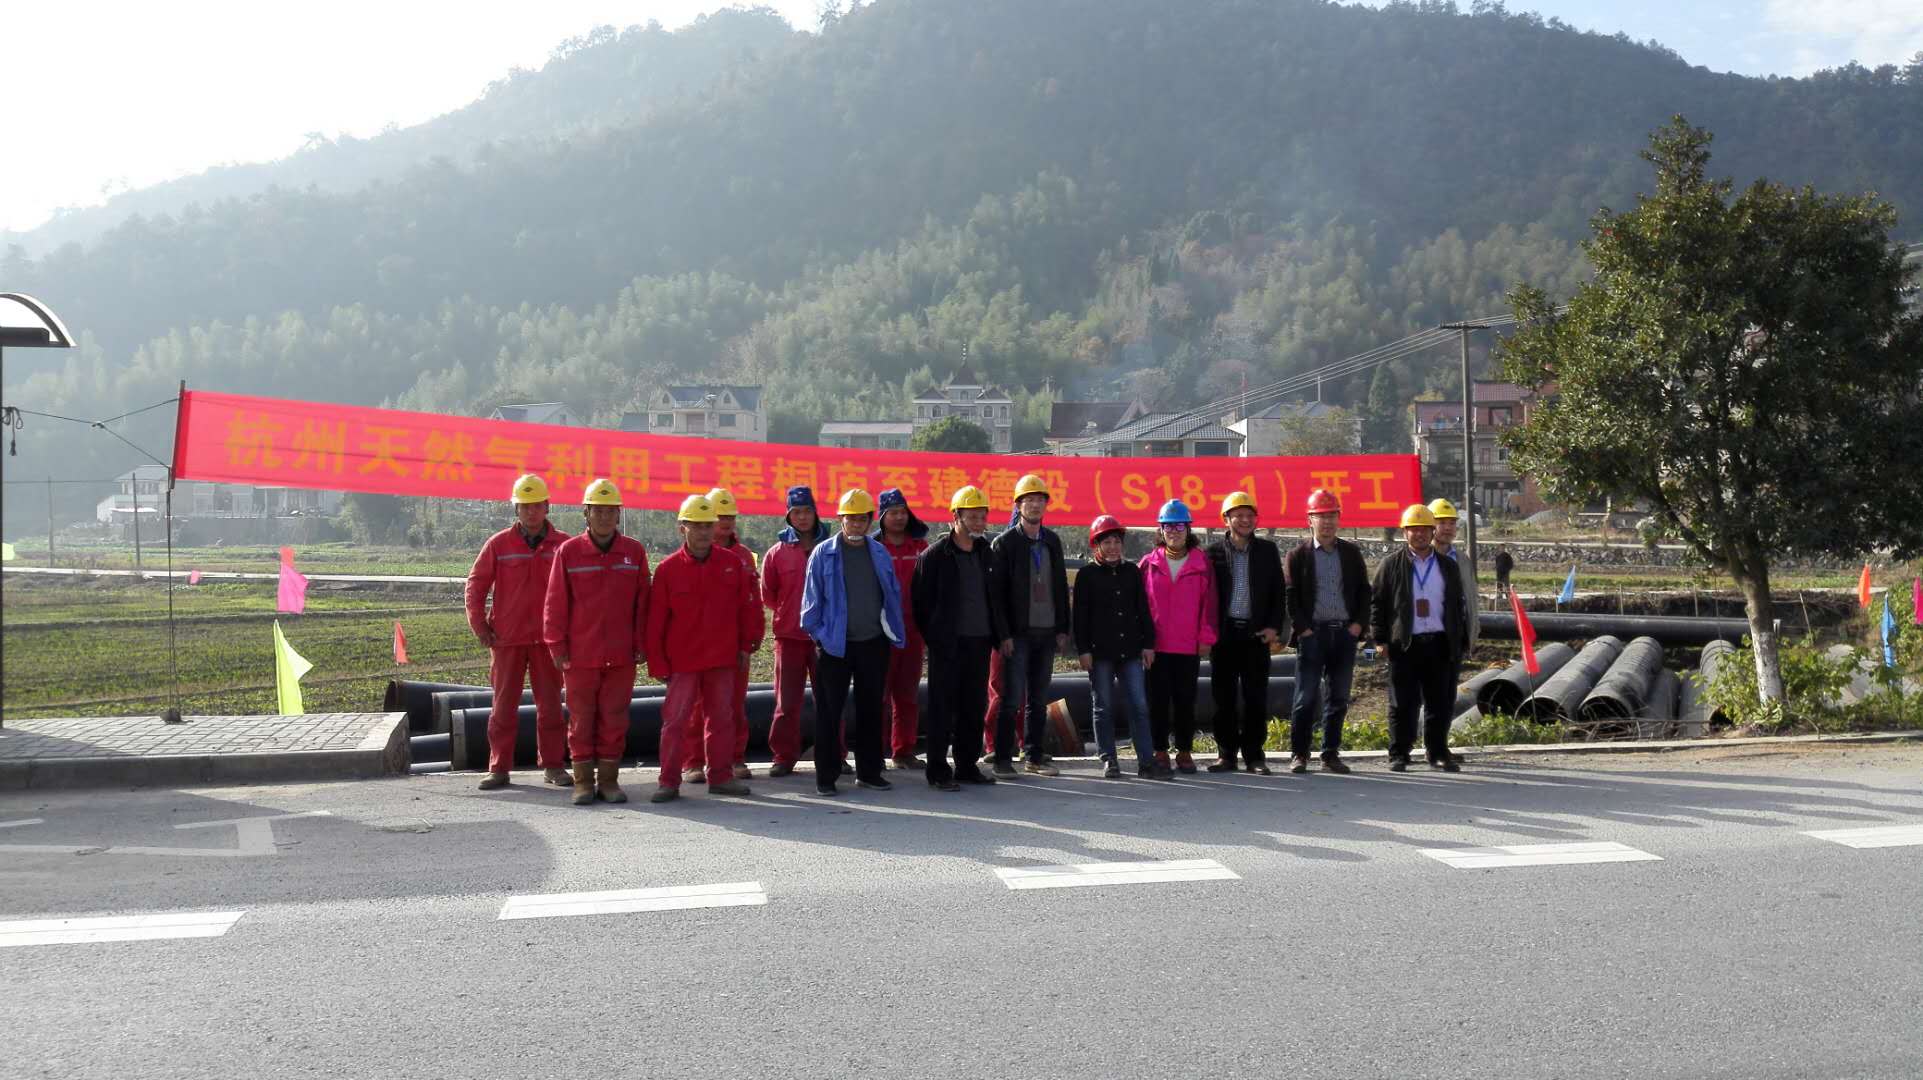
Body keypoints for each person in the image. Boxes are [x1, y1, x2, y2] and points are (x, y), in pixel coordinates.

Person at [645, 494, 764, 804]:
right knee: (675, 721)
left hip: (722, 657)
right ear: (681, 528)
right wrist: (657, 662)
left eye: (707, 526)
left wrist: (746, 645)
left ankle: (721, 777)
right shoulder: (668, 569)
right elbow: (656, 621)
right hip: (682, 660)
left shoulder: (731, 564)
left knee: (721, 719)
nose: (702, 532)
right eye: (695, 526)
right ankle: (669, 781)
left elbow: (746, 608)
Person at [543, 478, 648, 805]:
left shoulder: (633, 552)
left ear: (618, 514)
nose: (604, 517)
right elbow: (555, 602)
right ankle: (584, 783)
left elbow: (643, 603)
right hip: (580, 655)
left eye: (610, 511)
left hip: (621, 654)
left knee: (615, 718)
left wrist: (641, 643)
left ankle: (609, 782)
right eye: (597, 511)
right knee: (581, 720)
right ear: (586, 514)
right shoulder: (569, 552)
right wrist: (557, 646)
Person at [465, 473, 571, 791]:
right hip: (507, 640)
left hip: (547, 642)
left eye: (536, 505)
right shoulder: (498, 545)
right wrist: (480, 626)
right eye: (525, 506)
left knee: (551, 708)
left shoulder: (564, 545)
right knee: (502, 708)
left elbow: (579, 591)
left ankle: (553, 766)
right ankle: (499, 768)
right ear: (516, 509)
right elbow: (476, 586)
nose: (531, 512)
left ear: (547, 506)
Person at [801, 489, 908, 796]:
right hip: (835, 646)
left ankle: (869, 772)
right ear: (840, 519)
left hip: (873, 643)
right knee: (829, 712)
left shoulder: (879, 553)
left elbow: (891, 594)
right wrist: (821, 637)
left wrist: (891, 632)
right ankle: (826, 777)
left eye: (862, 519)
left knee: (871, 709)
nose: (857, 524)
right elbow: (811, 602)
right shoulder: (823, 554)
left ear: (869, 520)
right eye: (851, 519)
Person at [910, 486, 1007, 790]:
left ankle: (966, 766)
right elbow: (920, 603)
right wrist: (936, 638)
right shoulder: (934, 556)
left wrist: (1001, 635)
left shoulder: (987, 553)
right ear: (956, 517)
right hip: (947, 645)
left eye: (982, 517)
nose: (979, 522)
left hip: (980, 642)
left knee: (973, 706)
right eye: (972, 517)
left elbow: (997, 598)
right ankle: (938, 770)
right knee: (942, 708)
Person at [1370, 504, 1469, 773]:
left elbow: (1457, 606)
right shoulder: (1391, 565)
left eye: (1425, 529)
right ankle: (1399, 753)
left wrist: (1460, 639)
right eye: (1414, 529)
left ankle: (1437, 752)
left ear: (1432, 531)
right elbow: (1378, 603)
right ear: (1405, 532)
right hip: (1405, 644)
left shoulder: (1448, 566)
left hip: (1439, 642)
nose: (1420, 534)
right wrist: (1380, 639)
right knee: (1402, 702)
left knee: (1440, 701)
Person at [1282, 487, 1372, 775]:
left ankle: (1330, 753)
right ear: (1310, 519)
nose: (1327, 522)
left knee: (1339, 698)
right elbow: (1291, 597)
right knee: (1305, 697)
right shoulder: (1298, 556)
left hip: (1344, 635)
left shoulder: (1351, 553)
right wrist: (1304, 630)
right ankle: (1299, 754)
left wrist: (1357, 626)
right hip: (1313, 635)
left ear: (1339, 518)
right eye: (1321, 516)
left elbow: (1364, 592)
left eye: (1332, 515)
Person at [988, 473, 1072, 778]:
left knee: (1038, 699)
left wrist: (1062, 628)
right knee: (1011, 699)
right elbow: (996, 596)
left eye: (1040, 500)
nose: (1035, 505)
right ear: (1018, 505)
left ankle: (1034, 755)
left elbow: (1060, 586)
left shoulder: (1052, 541)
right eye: (1029, 500)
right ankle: (1002, 758)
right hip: (1018, 635)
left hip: (1046, 633)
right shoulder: (1005, 544)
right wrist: (1004, 635)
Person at [1073, 515, 1163, 779]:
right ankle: (1109, 759)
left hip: (1131, 650)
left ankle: (1146, 761)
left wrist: (1148, 644)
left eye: (1116, 542)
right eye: (1107, 542)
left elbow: (1143, 610)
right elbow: (1080, 617)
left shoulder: (1131, 572)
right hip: (1100, 653)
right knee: (1103, 706)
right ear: (1096, 546)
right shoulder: (1087, 575)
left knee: (1139, 705)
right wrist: (1083, 650)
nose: (1112, 547)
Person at [1204, 491, 1286, 774]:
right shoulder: (1212, 553)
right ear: (1226, 520)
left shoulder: (1267, 551)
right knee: (1222, 699)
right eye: (1238, 515)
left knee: (1255, 698)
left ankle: (1254, 756)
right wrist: (1208, 632)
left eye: (1249, 515)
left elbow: (1278, 592)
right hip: (1224, 637)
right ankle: (1226, 754)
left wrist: (1274, 627)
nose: (1245, 520)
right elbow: (1205, 596)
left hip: (1256, 636)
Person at [1139, 499, 1217, 774]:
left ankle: (1184, 752)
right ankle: (1160, 751)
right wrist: (1144, 643)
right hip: (1156, 647)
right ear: (1161, 530)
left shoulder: (1201, 563)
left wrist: (1206, 637)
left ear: (1188, 529)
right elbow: (1139, 607)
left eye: (1179, 526)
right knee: (1157, 701)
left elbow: (1210, 604)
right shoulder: (1148, 564)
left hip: (1187, 646)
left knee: (1185, 701)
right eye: (1168, 526)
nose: (1174, 531)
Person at [762, 485, 836, 778]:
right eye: (796, 512)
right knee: (786, 701)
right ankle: (783, 756)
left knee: (829, 699)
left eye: (807, 511)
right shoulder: (777, 553)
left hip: (825, 638)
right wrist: (789, 613)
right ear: (788, 516)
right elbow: (769, 594)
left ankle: (834, 754)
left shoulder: (832, 548)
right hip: (789, 637)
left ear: (815, 513)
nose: (802, 517)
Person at [875, 488, 930, 770]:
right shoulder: (872, 548)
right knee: (877, 695)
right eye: (892, 513)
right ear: (881, 517)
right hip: (879, 634)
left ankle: (903, 751)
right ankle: (874, 753)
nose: (899, 518)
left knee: (907, 695)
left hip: (912, 632)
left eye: (902, 512)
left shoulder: (920, 548)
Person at [1428, 497, 1479, 769]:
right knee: (1423, 696)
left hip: (1453, 636)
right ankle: (1409, 749)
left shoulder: (1462, 559)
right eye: (1442, 522)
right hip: (1426, 634)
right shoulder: (1419, 558)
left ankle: (1440, 747)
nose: (1447, 528)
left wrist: (1472, 632)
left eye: (1451, 523)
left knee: (1447, 696)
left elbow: (1471, 598)